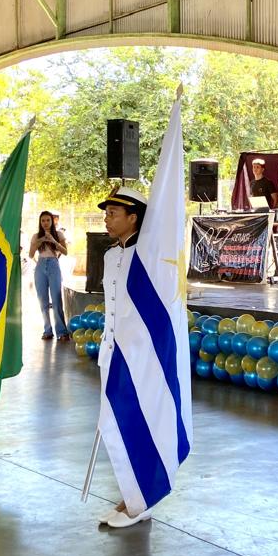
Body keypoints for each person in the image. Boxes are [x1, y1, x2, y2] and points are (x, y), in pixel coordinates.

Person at [94, 185, 152, 528]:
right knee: (115, 425)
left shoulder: (149, 255)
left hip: (140, 356)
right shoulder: (109, 255)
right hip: (111, 350)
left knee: (137, 424)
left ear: (133, 218)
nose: (106, 219)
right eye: (106, 213)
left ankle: (141, 499)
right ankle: (132, 495)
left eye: (113, 214)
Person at [28, 212, 69, 340]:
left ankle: (62, 332)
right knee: (43, 301)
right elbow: (30, 254)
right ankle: (47, 330)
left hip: (53, 264)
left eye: (47, 220)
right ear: (40, 223)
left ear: (52, 221)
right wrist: (41, 240)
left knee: (56, 299)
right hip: (40, 266)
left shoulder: (59, 235)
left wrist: (53, 240)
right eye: (43, 221)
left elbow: (65, 252)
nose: (45, 223)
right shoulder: (36, 236)